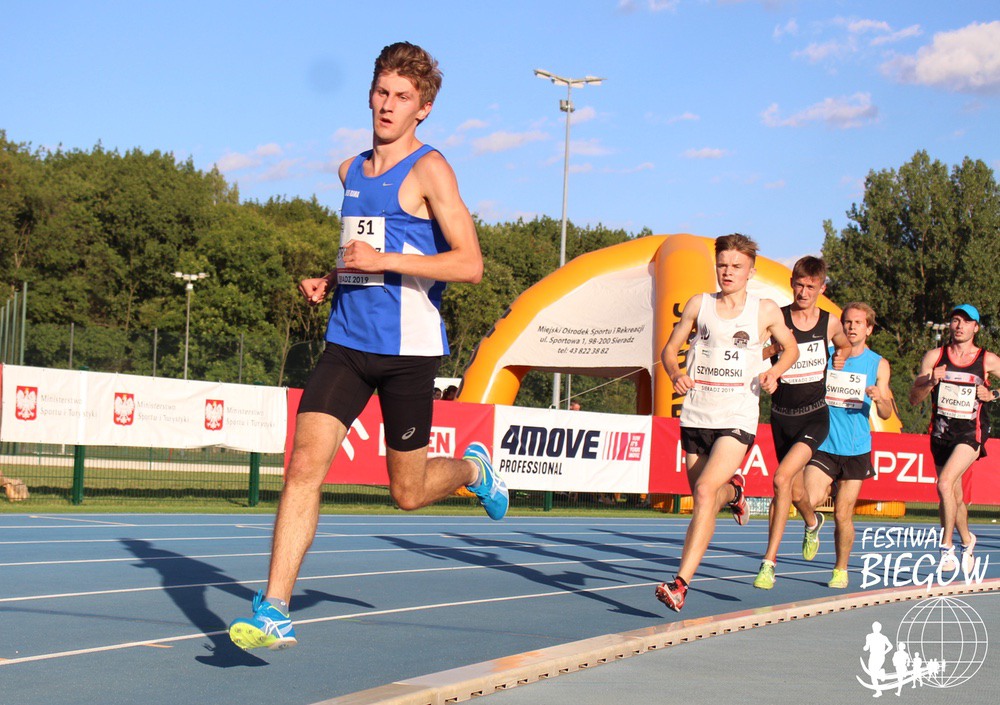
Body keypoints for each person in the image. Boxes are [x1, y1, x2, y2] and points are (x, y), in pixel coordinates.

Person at [228, 42, 508, 652]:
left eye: (402, 97)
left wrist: (383, 260)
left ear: (423, 108)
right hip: (347, 344)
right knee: (303, 466)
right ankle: (275, 608)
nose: (388, 104)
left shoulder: (431, 170)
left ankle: (474, 469)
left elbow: (470, 265)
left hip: (408, 351)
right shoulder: (349, 171)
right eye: (382, 91)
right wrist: (331, 279)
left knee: (407, 493)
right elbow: (361, 252)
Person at [655, 233, 799, 612]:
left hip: (737, 416)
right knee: (705, 497)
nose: (728, 272)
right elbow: (669, 350)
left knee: (704, 491)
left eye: (736, 266)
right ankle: (735, 493)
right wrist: (675, 373)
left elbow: (791, 349)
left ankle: (680, 585)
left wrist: (775, 373)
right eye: (722, 265)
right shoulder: (699, 305)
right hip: (696, 414)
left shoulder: (764, 310)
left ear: (751, 270)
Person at [753, 256, 850, 590]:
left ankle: (768, 563)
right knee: (793, 490)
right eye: (799, 285)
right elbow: (755, 354)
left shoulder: (829, 322)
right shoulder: (777, 318)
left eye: (811, 286)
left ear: (821, 288)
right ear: (792, 283)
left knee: (780, 479)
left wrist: (841, 355)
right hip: (781, 416)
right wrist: (774, 351)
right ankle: (812, 520)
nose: (804, 292)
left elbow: (844, 344)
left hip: (814, 415)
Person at [798, 303, 893, 589]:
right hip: (825, 442)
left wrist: (880, 399)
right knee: (806, 498)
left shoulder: (878, 364)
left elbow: (886, 413)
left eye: (858, 323)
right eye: (847, 322)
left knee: (842, 514)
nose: (851, 327)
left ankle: (840, 569)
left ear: (869, 329)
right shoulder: (827, 355)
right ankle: (813, 522)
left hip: (856, 448)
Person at [909, 304, 999, 573]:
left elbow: (994, 391)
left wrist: (993, 394)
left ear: (976, 328)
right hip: (940, 433)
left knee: (945, 482)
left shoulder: (987, 359)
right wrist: (930, 382)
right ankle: (968, 540)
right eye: (955, 320)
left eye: (966, 321)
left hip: (971, 432)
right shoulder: (935, 356)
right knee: (953, 495)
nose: (959, 326)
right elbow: (914, 399)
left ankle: (946, 547)